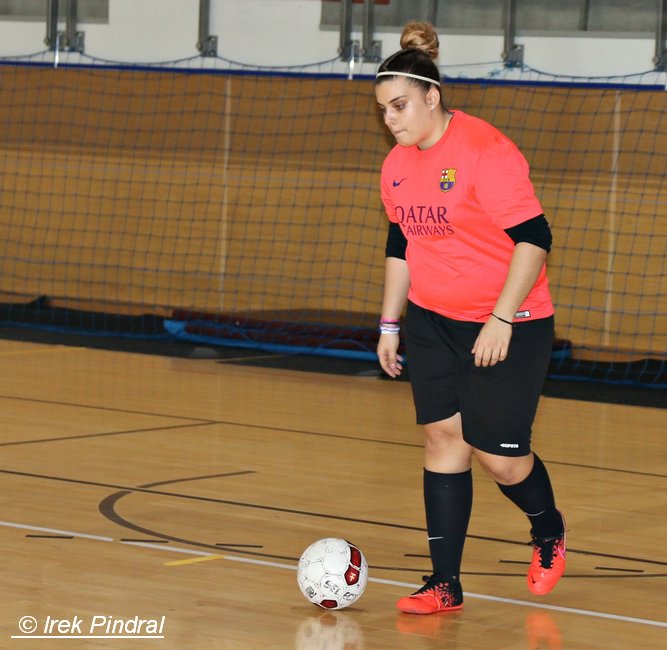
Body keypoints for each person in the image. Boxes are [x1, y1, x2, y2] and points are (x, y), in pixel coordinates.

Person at [374, 21, 566, 615]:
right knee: (442, 440)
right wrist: (389, 324)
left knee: (499, 457)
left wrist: (501, 318)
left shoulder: (485, 150)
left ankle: (548, 529)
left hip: (510, 321)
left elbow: (535, 237)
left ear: (432, 97)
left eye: (399, 106)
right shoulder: (396, 165)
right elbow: (402, 244)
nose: (391, 120)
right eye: (383, 110)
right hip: (433, 320)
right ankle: (444, 584)